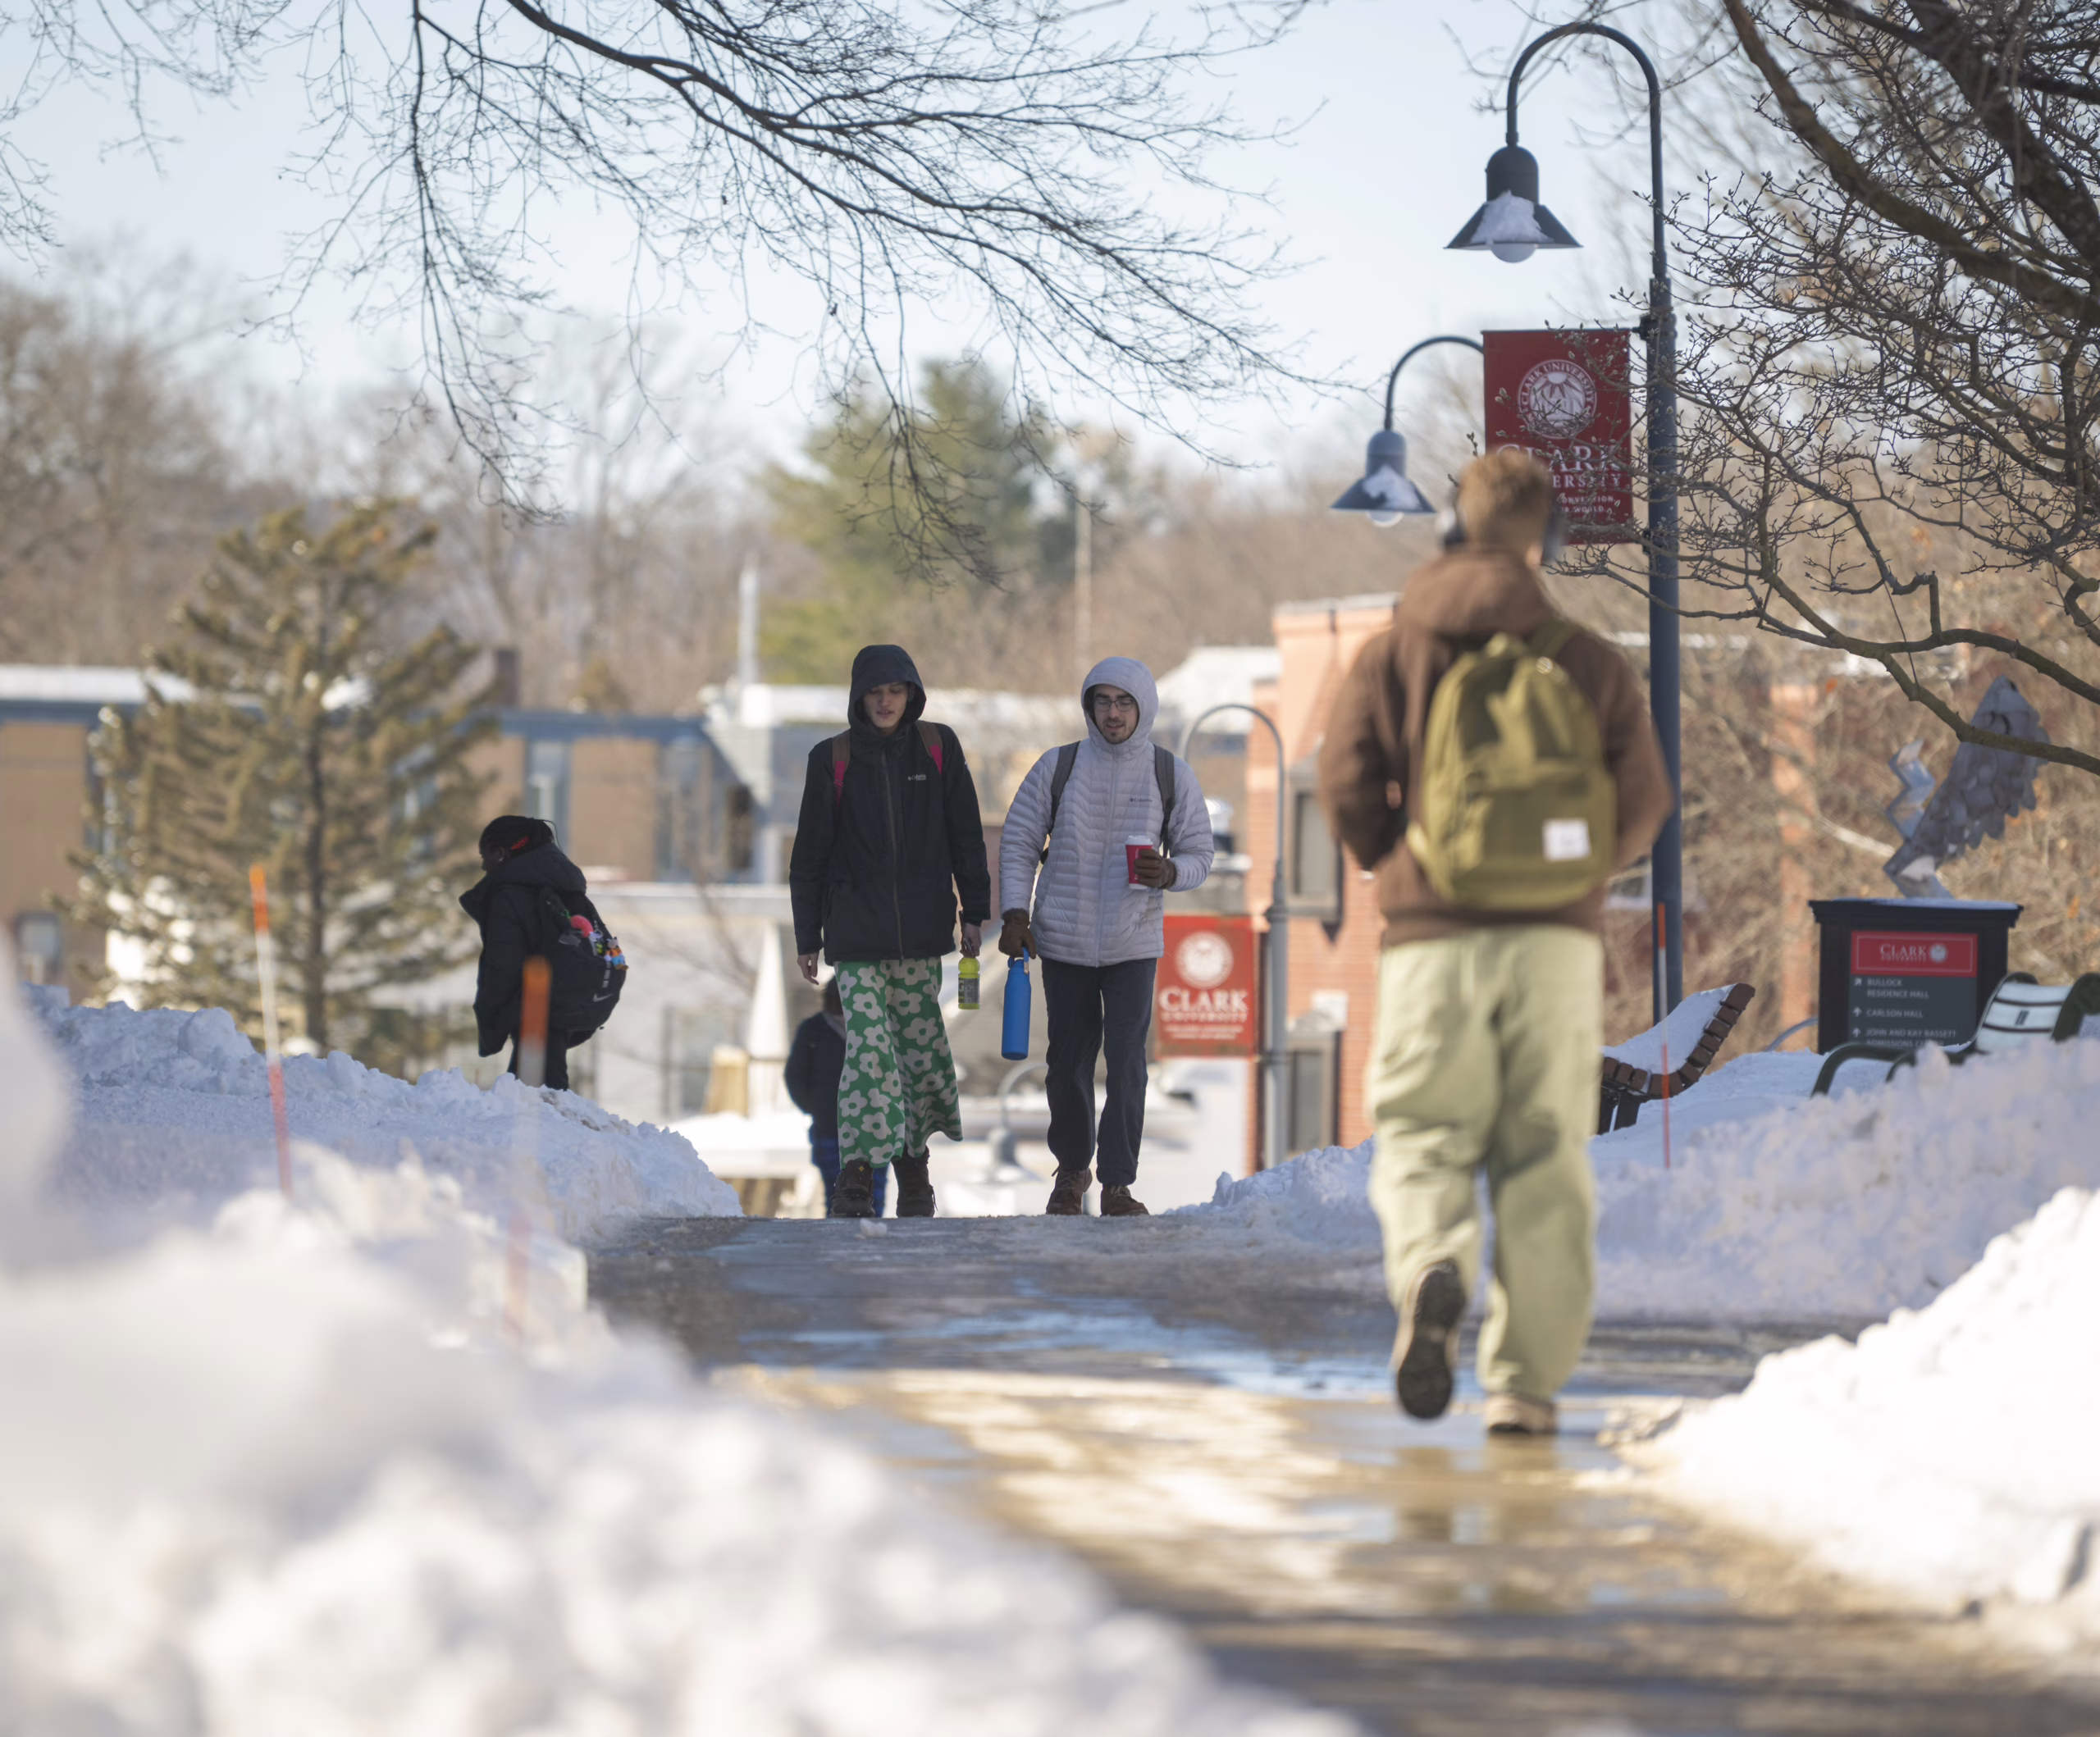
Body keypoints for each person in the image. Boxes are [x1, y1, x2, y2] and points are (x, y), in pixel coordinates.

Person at [1317, 450, 1673, 1437]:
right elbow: (1646, 799)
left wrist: (1399, 863)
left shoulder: (1395, 651)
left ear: (1450, 533)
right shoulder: (1587, 657)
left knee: (1428, 1132)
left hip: (1432, 940)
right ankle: (1522, 1385)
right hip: (1554, 949)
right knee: (1543, 1157)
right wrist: (1575, 876)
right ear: (1546, 542)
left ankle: (1435, 1259)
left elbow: (1342, 777)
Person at [998, 656, 1215, 1216]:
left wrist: (1171, 873)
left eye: (1123, 702)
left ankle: (1118, 1182)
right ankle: (1072, 1173)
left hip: (1133, 943)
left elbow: (1200, 853)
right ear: (1088, 706)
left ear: (1143, 707)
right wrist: (1015, 913)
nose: (1112, 713)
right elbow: (1019, 840)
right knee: (1067, 1062)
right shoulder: (1059, 766)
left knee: (1127, 1063)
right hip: (1064, 941)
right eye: (1102, 701)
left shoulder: (1170, 774)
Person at [787, 645, 990, 1219]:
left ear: (911, 695)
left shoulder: (938, 746)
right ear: (859, 697)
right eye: (875, 693)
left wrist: (973, 913)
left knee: (916, 1055)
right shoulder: (832, 759)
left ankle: (914, 1169)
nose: (885, 702)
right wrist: (809, 936)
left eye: (895, 692)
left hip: (924, 935)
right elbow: (810, 856)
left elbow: (967, 836)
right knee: (870, 1052)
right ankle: (857, 1173)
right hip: (855, 938)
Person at [459, 814, 609, 1092]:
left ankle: (557, 1131)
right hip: (572, 998)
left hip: (537, 1006)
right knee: (537, 1091)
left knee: (540, 1097)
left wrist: (492, 1019)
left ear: (501, 854)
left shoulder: (509, 896)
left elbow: (504, 964)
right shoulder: (567, 888)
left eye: (486, 855)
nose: (483, 865)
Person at [784, 978, 888, 1216]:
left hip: (874, 1127)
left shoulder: (875, 1027)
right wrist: (817, 1108)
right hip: (830, 1128)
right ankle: (838, 1242)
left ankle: (870, 1242)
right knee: (835, 1194)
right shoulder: (813, 1029)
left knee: (874, 1194)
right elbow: (795, 1076)